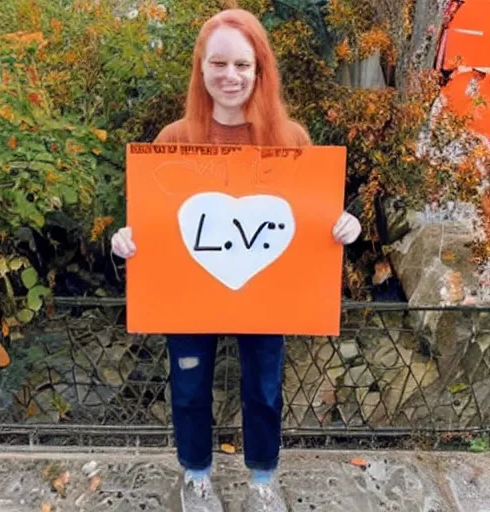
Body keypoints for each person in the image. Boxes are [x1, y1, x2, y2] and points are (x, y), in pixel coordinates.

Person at [111, 8, 361, 512]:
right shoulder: (174, 140)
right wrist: (126, 240)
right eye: (218, 63)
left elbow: (312, 221)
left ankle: (262, 479)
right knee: (187, 385)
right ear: (201, 69)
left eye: (243, 65)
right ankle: (197, 476)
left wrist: (343, 227)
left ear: (260, 70)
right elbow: (155, 223)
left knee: (265, 389)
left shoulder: (290, 141)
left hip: (268, 289)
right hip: (188, 290)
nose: (230, 76)